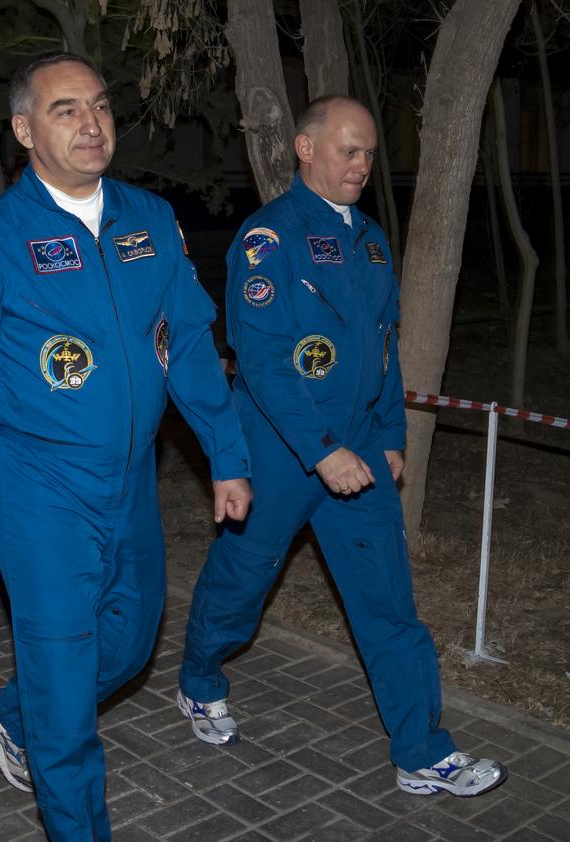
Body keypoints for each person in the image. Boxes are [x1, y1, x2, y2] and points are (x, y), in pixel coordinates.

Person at [0, 53, 252, 840]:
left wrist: (227, 453)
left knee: (129, 646)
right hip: (39, 493)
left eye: (99, 106)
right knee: (70, 707)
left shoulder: (150, 221)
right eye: (66, 110)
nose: (92, 124)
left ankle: (11, 710)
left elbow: (188, 343)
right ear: (25, 130)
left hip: (131, 484)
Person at [176, 95, 507, 798]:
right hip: (279, 451)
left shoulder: (371, 240)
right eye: (347, 150)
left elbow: (384, 348)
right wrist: (320, 449)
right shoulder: (268, 237)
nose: (361, 165)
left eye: (367, 153)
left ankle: (421, 750)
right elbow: (261, 359)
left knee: (389, 603)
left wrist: (389, 434)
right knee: (243, 582)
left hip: (358, 452)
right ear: (305, 149)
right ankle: (200, 680)